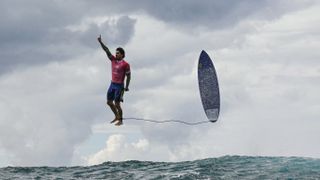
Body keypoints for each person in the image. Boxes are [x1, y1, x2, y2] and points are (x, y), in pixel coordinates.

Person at [97, 35, 131, 126]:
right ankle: (116, 116)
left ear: (123, 55)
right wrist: (101, 42)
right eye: (116, 53)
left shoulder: (126, 64)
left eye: (118, 53)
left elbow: (129, 76)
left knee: (117, 104)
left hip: (119, 86)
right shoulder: (113, 60)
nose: (116, 54)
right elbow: (107, 50)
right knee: (109, 102)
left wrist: (127, 87)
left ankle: (120, 120)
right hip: (112, 84)